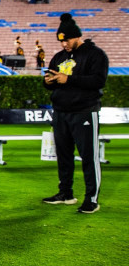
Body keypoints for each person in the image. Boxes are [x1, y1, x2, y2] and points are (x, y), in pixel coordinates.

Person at [42, 13, 109, 214]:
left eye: (67, 40)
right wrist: (47, 82)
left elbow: (99, 81)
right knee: (63, 156)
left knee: (89, 156)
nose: (64, 45)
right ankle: (66, 193)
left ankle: (92, 199)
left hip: (85, 112)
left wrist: (68, 79)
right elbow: (52, 79)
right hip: (61, 112)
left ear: (77, 36)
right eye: (61, 41)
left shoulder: (95, 55)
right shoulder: (59, 57)